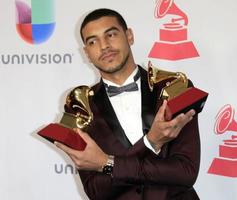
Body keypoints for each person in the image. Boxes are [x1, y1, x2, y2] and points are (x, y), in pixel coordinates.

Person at [55, 8, 200, 200]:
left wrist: (107, 163)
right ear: (86, 53)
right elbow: (95, 191)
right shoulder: (78, 106)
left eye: (111, 34)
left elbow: (185, 172)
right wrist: (152, 142)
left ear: (129, 36)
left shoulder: (176, 87)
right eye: (93, 41)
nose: (104, 46)